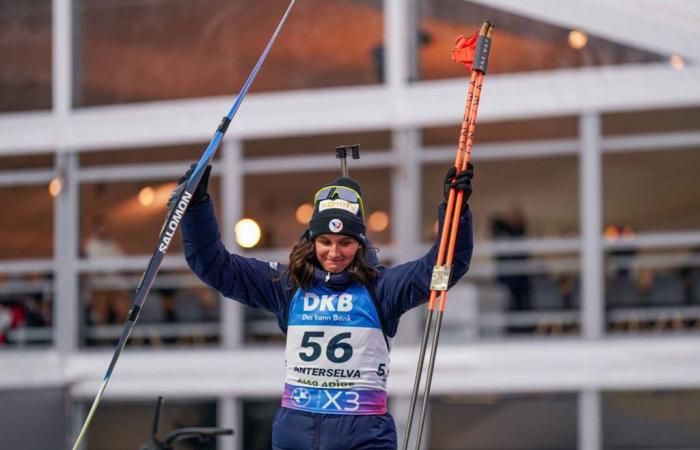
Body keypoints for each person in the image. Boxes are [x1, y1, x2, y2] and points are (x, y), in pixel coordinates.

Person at [179, 161, 474, 450]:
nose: (334, 252)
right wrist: (196, 208)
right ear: (312, 241)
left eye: (345, 242)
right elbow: (215, 266)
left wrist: (455, 213)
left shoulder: (381, 289)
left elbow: (443, 268)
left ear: (360, 243)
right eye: (325, 241)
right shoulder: (289, 285)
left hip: (363, 438)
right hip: (295, 435)